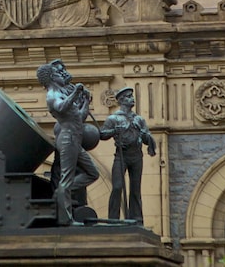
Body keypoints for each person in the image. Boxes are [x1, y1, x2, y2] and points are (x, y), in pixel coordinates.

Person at [36, 59, 98, 226]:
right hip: (67, 139)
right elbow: (62, 107)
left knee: (93, 173)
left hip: (76, 140)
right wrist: (75, 93)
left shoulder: (62, 92)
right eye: (57, 73)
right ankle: (66, 219)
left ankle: (61, 192)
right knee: (67, 178)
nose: (60, 75)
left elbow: (80, 116)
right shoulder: (52, 95)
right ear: (51, 77)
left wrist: (85, 101)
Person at [99, 87, 156, 223]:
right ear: (122, 100)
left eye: (132, 96)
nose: (132, 99)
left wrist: (144, 135)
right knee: (117, 186)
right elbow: (102, 135)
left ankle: (136, 218)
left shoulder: (139, 120)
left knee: (135, 189)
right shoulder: (113, 118)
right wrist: (114, 131)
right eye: (129, 96)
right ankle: (113, 218)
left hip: (136, 156)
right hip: (121, 156)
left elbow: (149, 139)